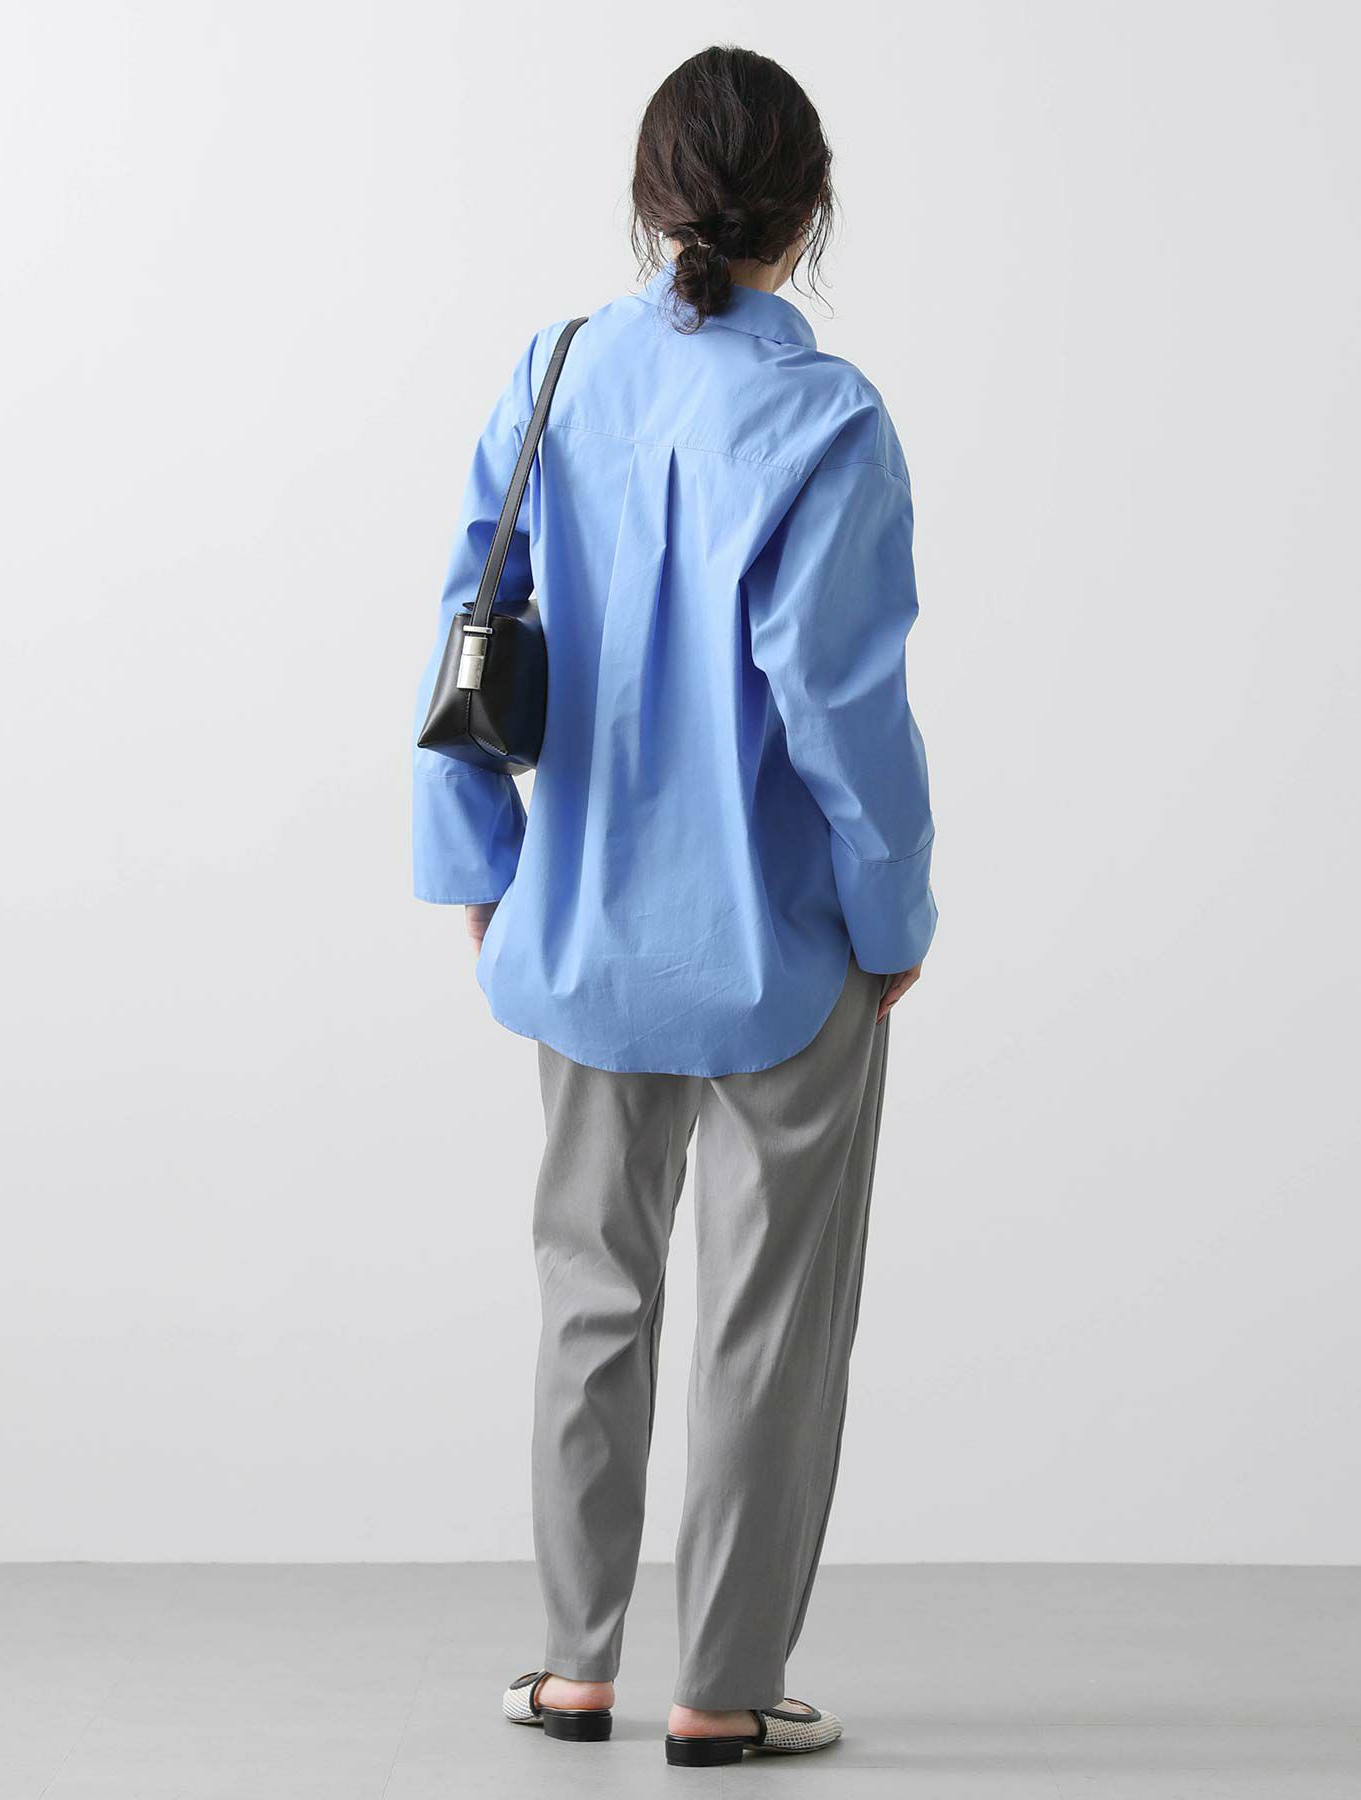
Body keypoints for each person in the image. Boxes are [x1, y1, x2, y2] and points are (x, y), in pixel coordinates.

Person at [413, 44, 936, 1770]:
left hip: (578, 928)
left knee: (592, 1295)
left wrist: (480, 862)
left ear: (654, 206)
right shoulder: (827, 419)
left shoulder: (559, 370)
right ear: (811, 213)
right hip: (781, 949)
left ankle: (575, 1668)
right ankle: (723, 1690)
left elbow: (469, 616)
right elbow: (840, 708)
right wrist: (895, 917)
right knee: (764, 1325)